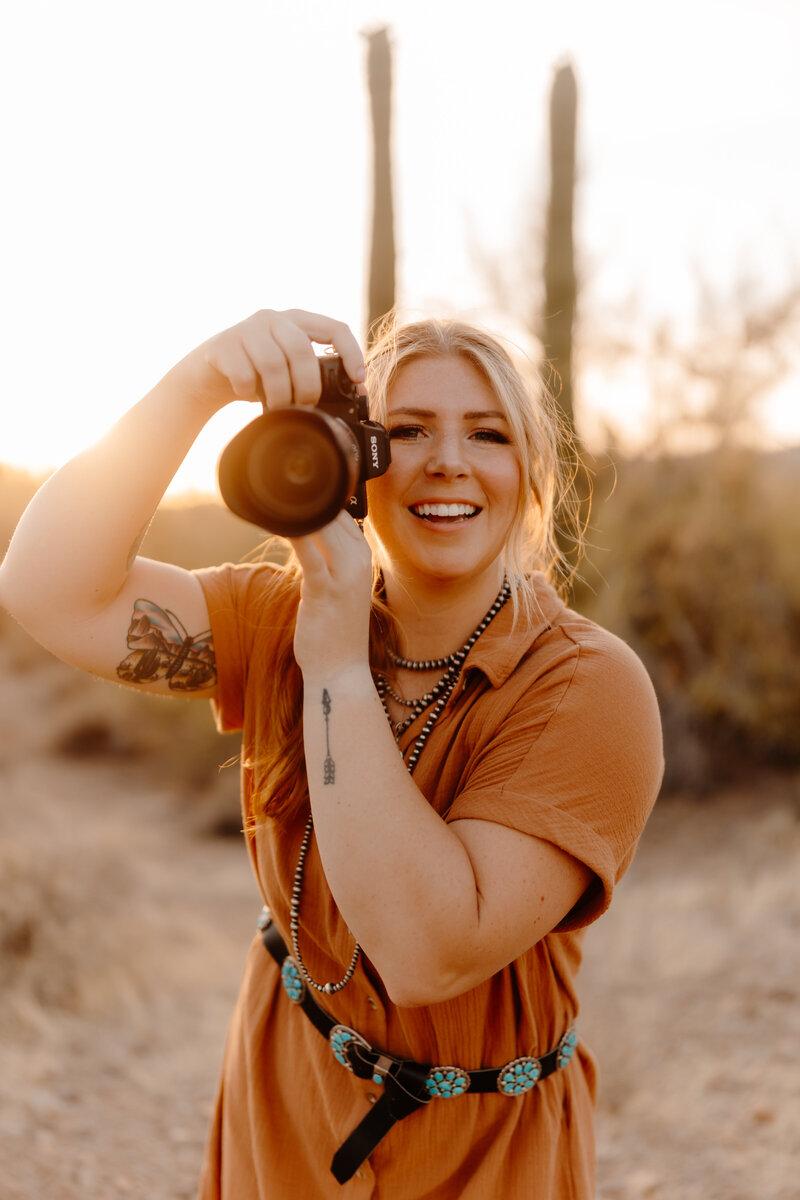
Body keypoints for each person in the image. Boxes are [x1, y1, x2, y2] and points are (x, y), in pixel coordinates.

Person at [0, 307, 664, 1197]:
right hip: (288, 1083)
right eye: (407, 431)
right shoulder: (280, 613)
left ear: (531, 475)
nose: (448, 462)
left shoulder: (588, 687)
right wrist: (196, 386)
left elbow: (428, 952)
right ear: (353, 466)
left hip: (479, 1148)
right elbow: (49, 591)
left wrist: (338, 666)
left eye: (489, 434)